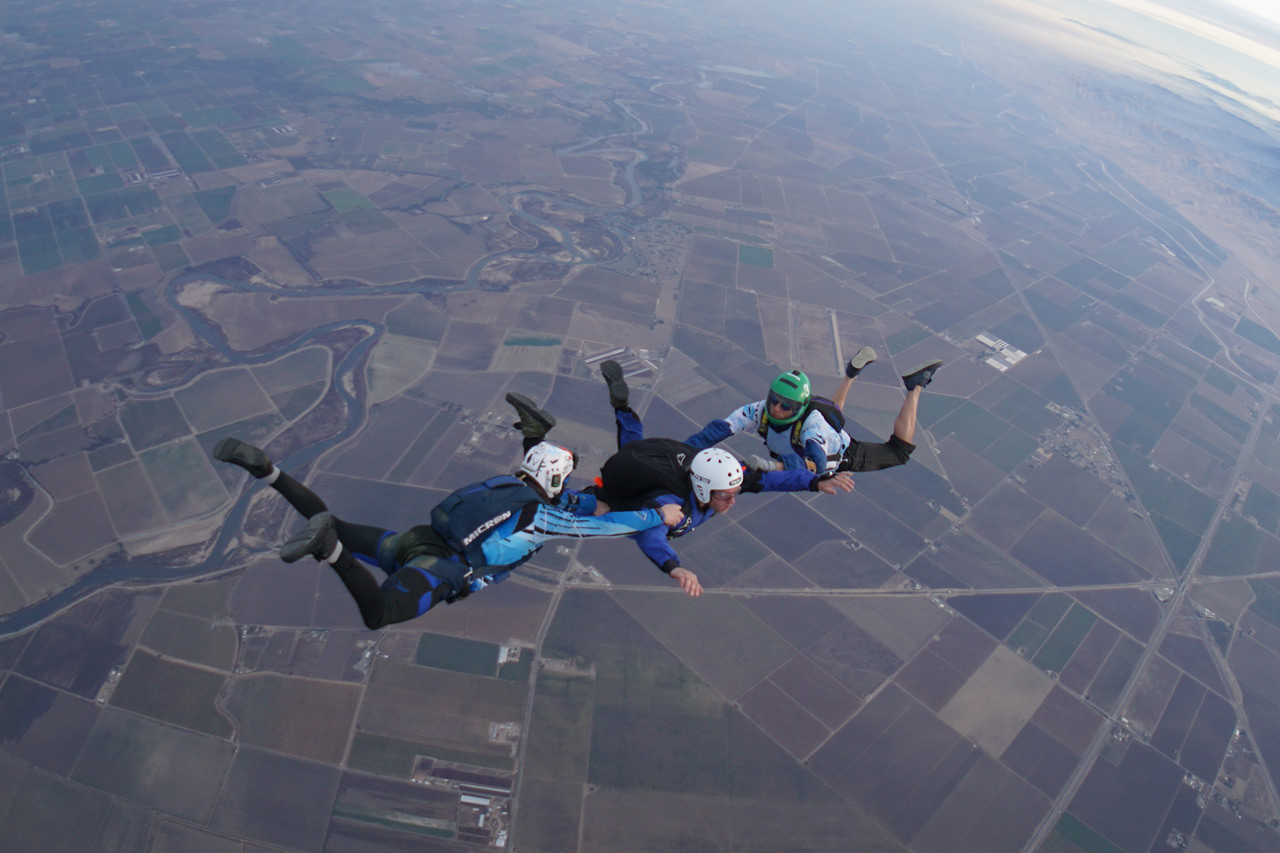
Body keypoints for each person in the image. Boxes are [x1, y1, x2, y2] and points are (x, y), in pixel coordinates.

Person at [212, 437, 684, 629]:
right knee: (379, 613)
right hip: (438, 569)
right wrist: (652, 519)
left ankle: (267, 470)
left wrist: (538, 436)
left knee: (332, 520)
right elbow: (595, 526)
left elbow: (562, 495)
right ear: (556, 480)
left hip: (413, 541)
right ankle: (329, 552)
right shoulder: (541, 516)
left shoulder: (503, 484)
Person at [506, 362, 853, 597]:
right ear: (704, 489)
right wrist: (675, 569)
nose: (733, 501)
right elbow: (651, 538)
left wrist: (813, 483)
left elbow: (769, 481)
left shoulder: (725, 479)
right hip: (627, 489)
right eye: (725, 497)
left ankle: (621, 407)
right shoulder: (670, 506)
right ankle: (540, 442)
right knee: (593, 506)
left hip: (650, 458)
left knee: (634, 447)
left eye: (733, 494)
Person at [684, 347, 943, 475]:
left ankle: (915, 387)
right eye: (774, 399)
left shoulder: (813, 427)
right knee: (832, 415)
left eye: (786, 406)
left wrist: (771, 466)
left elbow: (816, 463)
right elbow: (724, 426)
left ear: (799, 407)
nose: (776, 408)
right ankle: (851, 374)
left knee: (899, 452)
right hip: (818, 427)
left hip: (844, 453)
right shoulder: (760, 409)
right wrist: (686, 450)